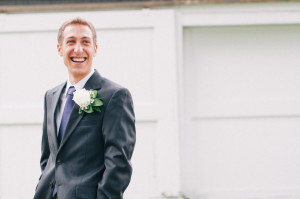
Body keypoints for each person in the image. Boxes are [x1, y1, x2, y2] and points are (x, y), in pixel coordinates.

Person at [33, 17, 136, 199]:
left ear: (95, 49)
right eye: (71, 42)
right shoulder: (51, 96)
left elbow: (118, 162)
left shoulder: (115, 95)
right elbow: (49, 157)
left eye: (85, 42)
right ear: (60, 49)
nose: (78, 49)